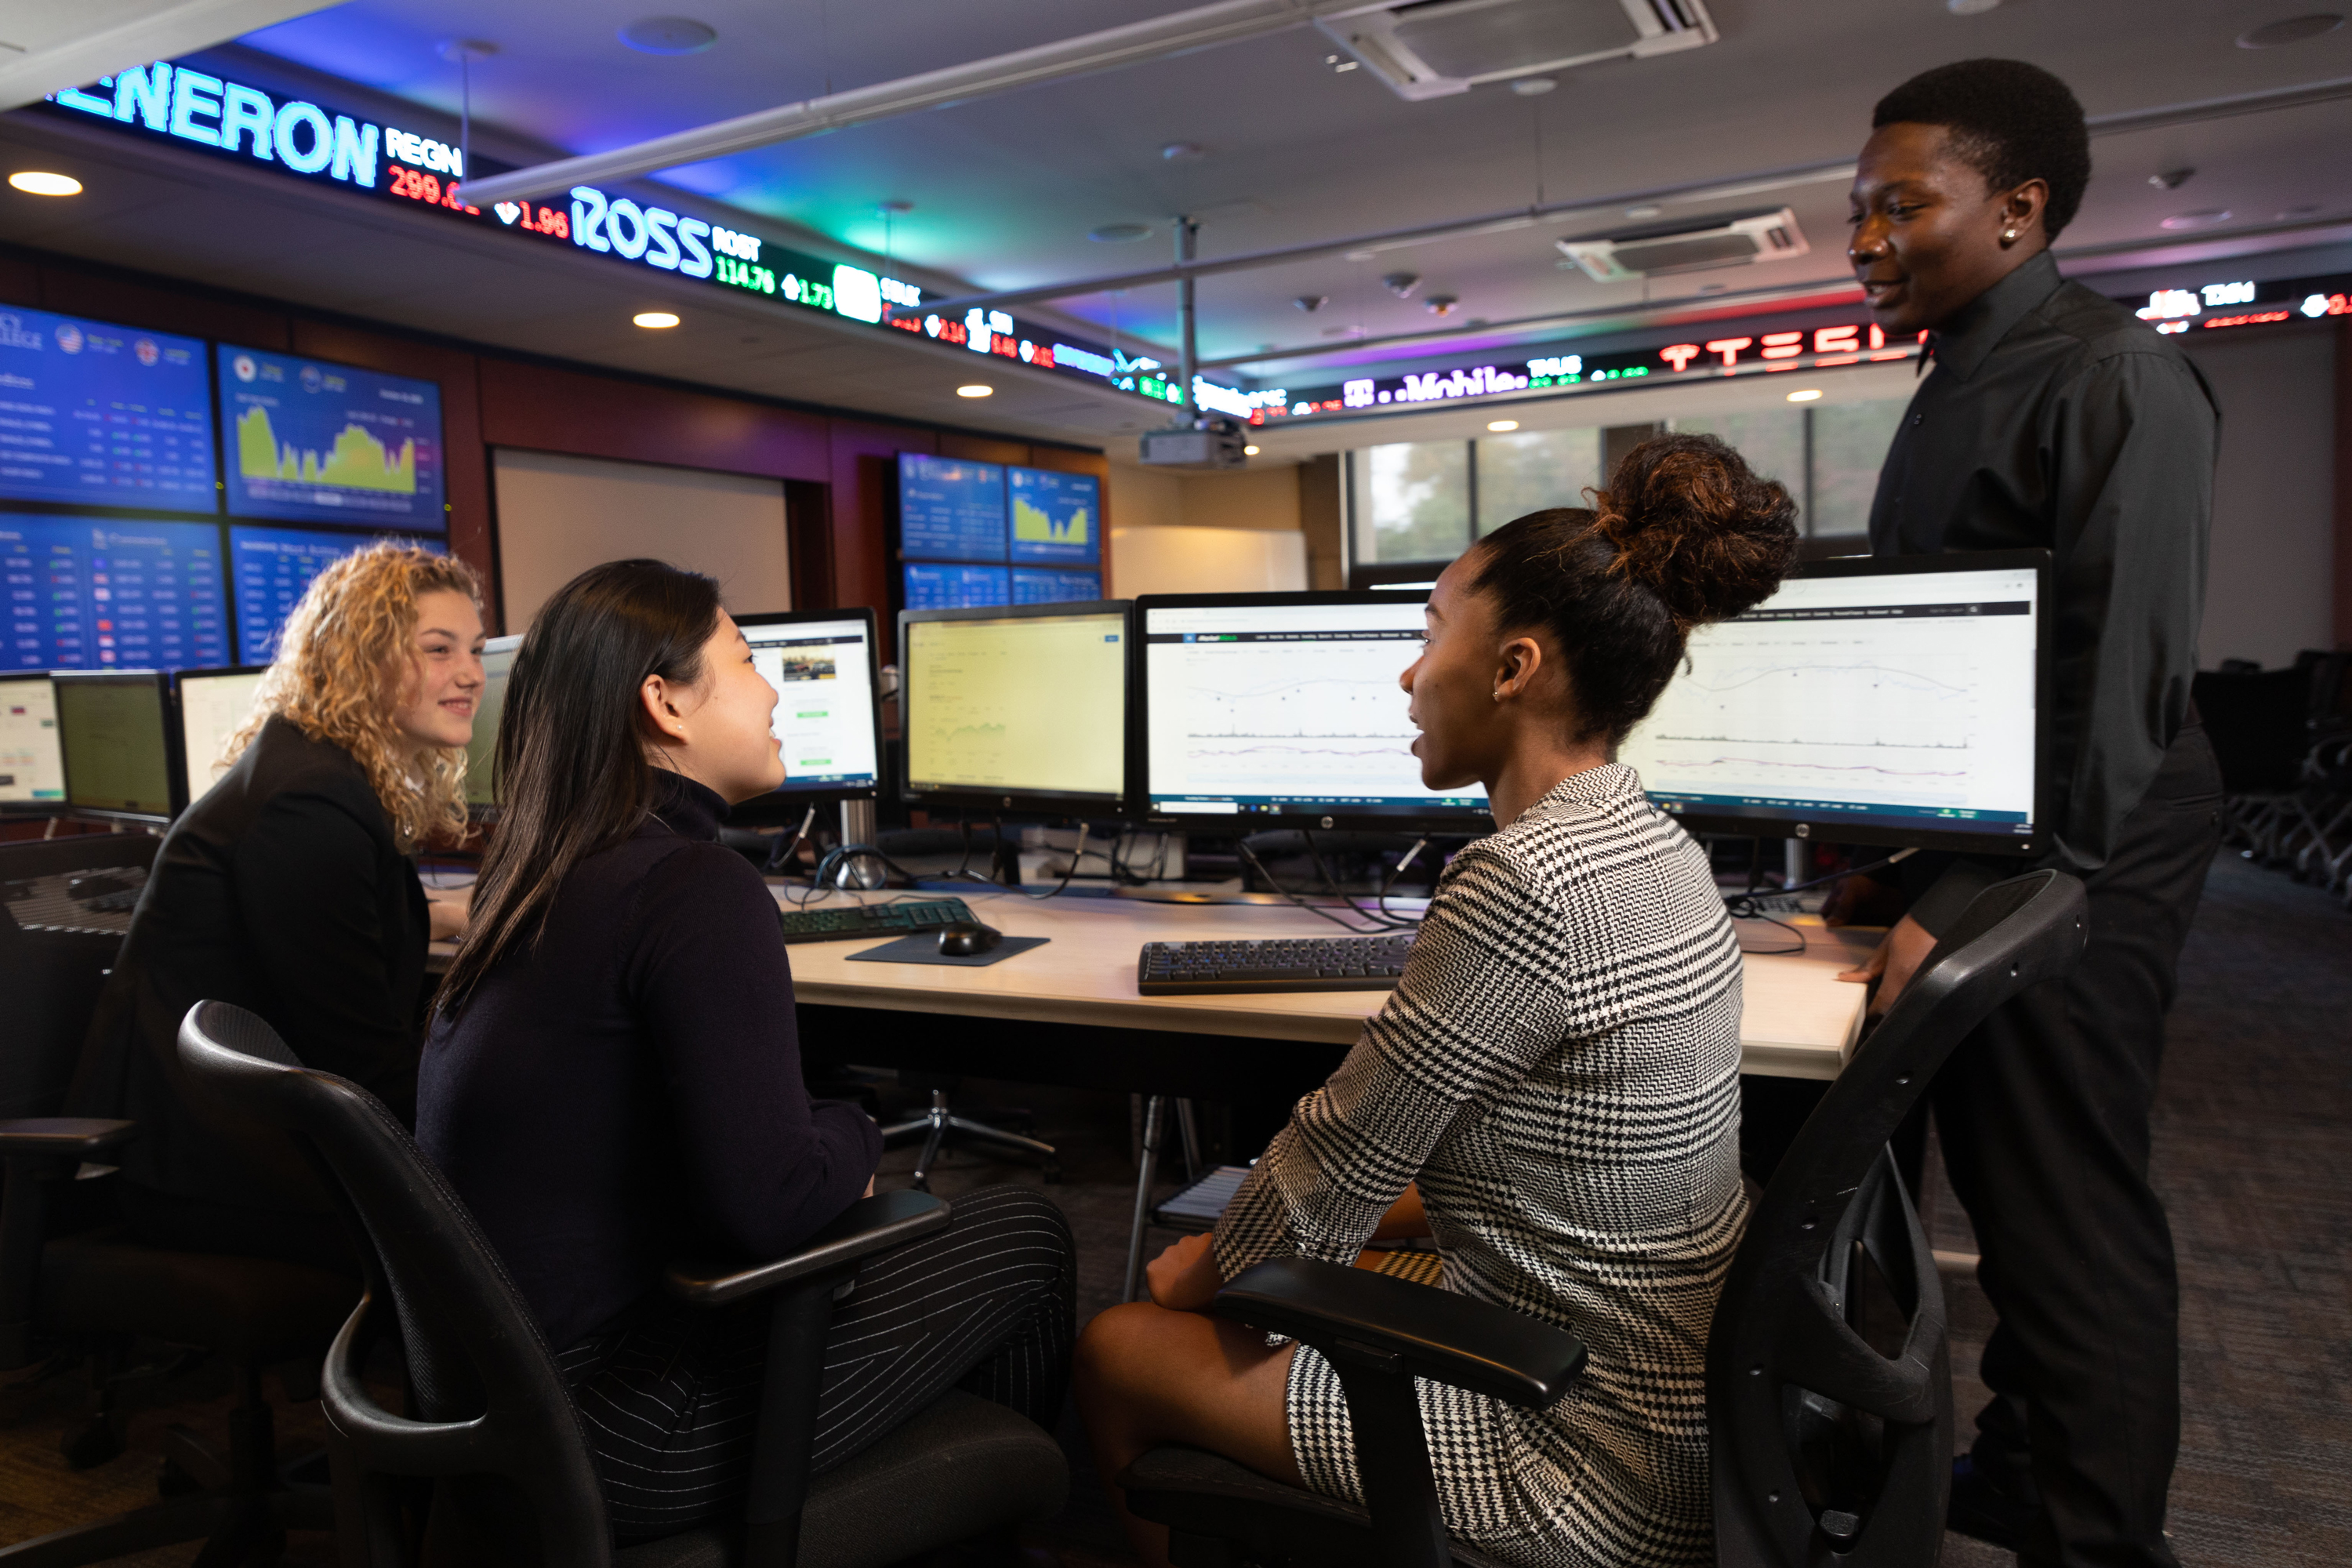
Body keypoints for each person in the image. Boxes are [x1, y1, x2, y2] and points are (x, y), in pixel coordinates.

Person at [1076, 434, 1798, 1568]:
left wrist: (1204, 1269)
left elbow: (1337, 1162)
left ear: (1512, 667)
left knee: (1122, 1339)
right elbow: (1528, 1158)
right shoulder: (1652, 844)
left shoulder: (1523, 882)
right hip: (1691, 1424)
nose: (1411, 675)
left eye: (1427, 634)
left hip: (1581, 1457)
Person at [418, 558, 1074, 1541]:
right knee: (1028, 1233)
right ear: (665, 703)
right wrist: (856, 1126)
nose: (774, 689)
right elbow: (767, 1205)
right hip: (624, 1433)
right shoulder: (690, 887)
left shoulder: (543, 871)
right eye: (749, 659)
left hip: (490, 1412)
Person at [1838, 59, 2223, 1568]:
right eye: (1857, 208)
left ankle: (2098, 1537)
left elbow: (2114, 669)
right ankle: (2014, 1462)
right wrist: (1908, 856)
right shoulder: (1956, 374)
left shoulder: (2109, 368)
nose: (1864, 238)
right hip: (1996, 821)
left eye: (1899, 206)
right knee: (1979, 1166)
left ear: (2018, 209)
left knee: (2060, 1194)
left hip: (2094, 821)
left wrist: (2002, 881)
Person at [68, 543, 485, 1269]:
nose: (472, 674)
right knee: (542, 1184)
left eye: (474, 649)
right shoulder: (309, 802)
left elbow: (329, 932)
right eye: (438, 649)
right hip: (227, 1172)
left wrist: (444, 915)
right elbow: (357, 1060)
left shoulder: (313, 769)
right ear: (363, 657)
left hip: (232, 1142)